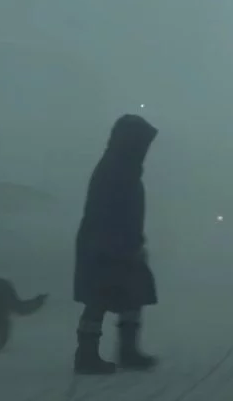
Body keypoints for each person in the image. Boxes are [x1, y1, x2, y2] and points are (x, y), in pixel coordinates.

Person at [73, 114, 160, 375]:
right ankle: (87, 356)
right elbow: (106, 210)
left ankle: (127, 351)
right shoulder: (116, 167)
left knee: (133, 294)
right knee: (99, 298)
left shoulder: (123, 165)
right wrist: (116, 245)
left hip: (118, 243)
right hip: (105, 245)